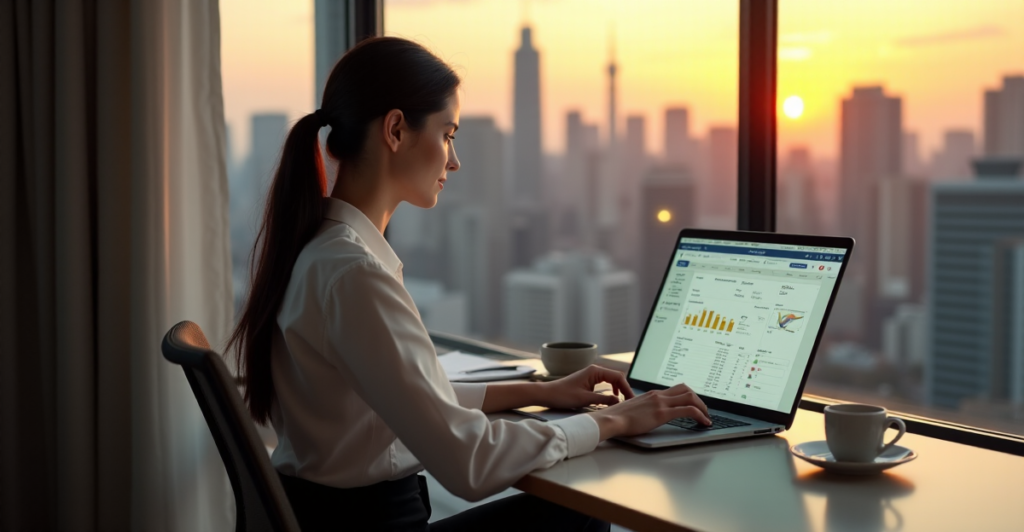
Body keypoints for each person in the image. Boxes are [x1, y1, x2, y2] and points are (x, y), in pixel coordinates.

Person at [228, 37, 711, 532]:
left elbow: (410, 396)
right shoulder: (355, 274)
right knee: (579, 517)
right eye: (447, 134)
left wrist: (538, 390)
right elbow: (470, 463)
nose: (454, 161)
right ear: (395, 130)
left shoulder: (320, 251)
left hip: (330, 518)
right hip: (372, 523)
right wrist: (616, 421)